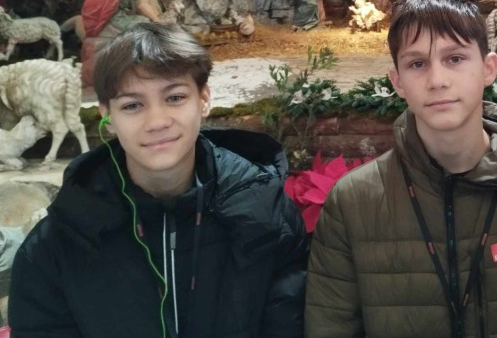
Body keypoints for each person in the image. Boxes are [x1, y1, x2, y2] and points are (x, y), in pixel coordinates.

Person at [306, 0, 497, 337]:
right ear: (397, 82)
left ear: (489, 68)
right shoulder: (352, 203)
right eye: (417, 64)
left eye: (455, 58)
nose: (437, 80)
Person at [8, 23, 308, 337]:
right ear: (107, 116)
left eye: (175, 97)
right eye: (132, 105)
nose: (157, 121)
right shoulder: (59, 243)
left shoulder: (268, 218)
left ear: (204, 98)